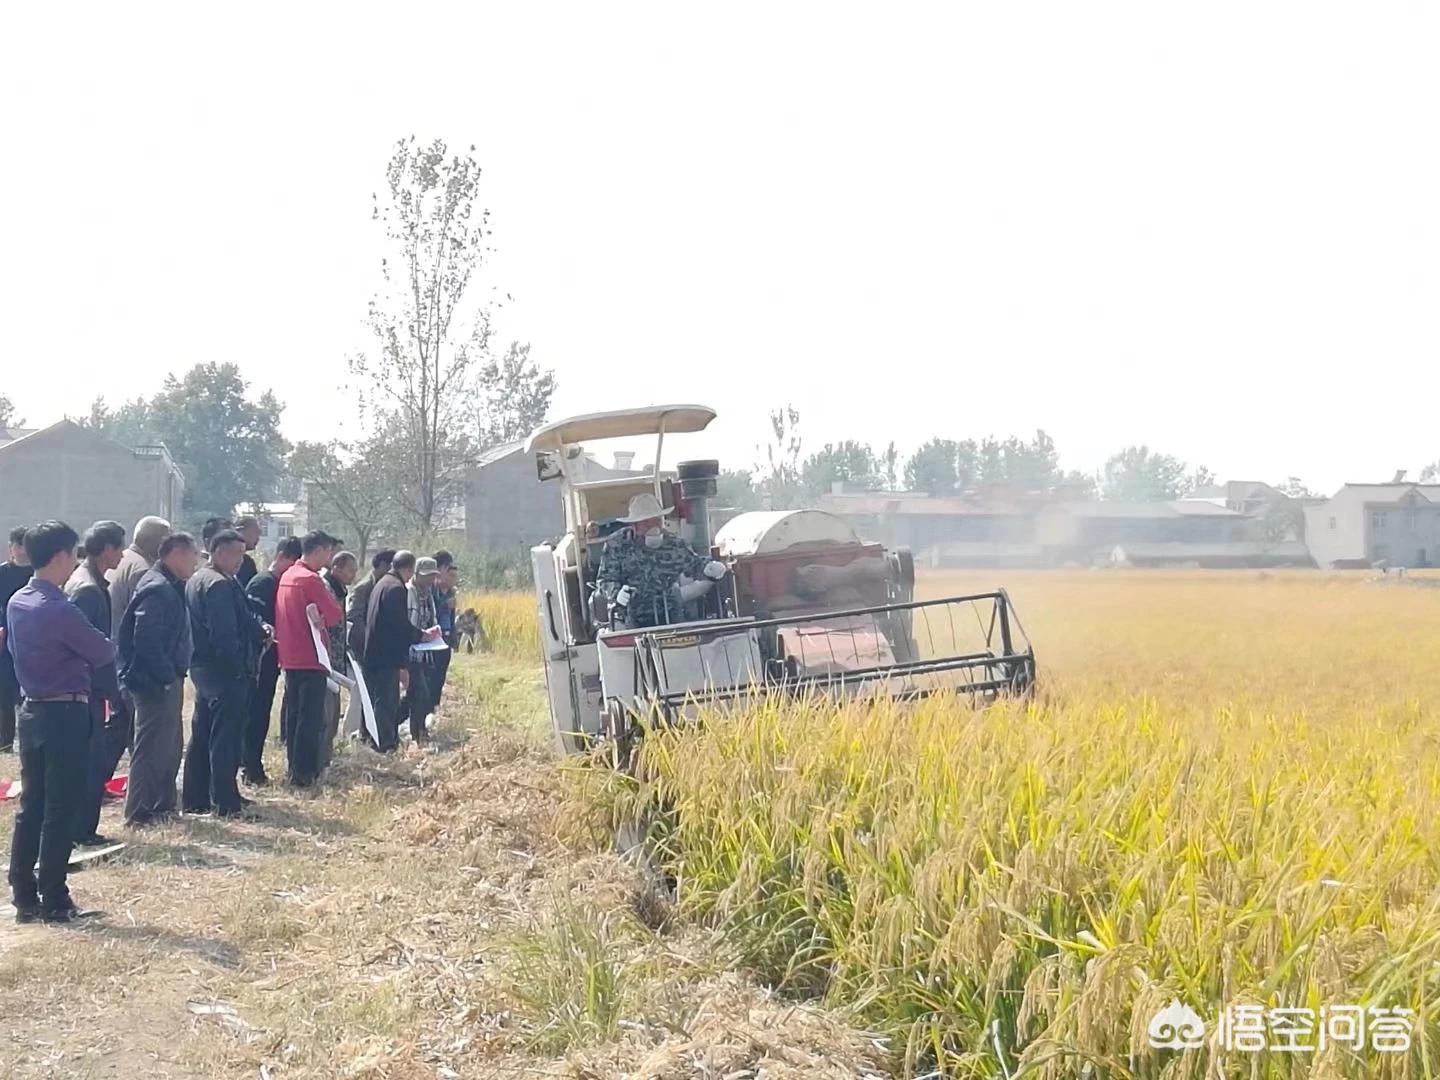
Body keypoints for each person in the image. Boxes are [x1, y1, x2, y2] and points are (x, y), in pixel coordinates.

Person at [6, 521, 116, 923]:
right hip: (65, 713)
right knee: (61, 807)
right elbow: (101, 651)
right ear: (60, 557)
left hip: (32, 710)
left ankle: (23, 894)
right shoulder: (58, 607)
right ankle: (54, 896)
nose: (75, 563)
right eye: (72, 554)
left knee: (31, 805)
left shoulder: (19, 600)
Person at [117, 532, 197, 827]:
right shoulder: (157, 587)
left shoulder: (171, 585)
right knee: (149, 748)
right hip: (153, 682)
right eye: (192, 556)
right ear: (175, 553)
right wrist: (165, 675)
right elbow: (146, 638)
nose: (194, 563)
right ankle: (139, 812)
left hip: (168, 678)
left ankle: (162, 806)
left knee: (169, 745)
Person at [182, 529, 263, 818]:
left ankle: (196, 797)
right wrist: (239, 669)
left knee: (203, 732)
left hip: (204, 668)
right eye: (235, 554)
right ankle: (225, 801)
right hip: (223, 670)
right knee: (225, 737)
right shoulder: (216, 584)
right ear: (218, 552)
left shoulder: (203, 579)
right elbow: (224, 635)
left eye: (243, 554)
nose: (241, 560)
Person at [64, 521, 129, 847]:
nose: (122, 554)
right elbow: (92, 648)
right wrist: (112, 692)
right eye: (120, 548)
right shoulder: (88, 589)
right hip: (87, 688)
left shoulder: (84, 580)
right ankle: (82, 830)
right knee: (91, 760)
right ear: (107, 549)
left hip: (84, 686)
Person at [274, 530, 343, 787]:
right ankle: (304, 773)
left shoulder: (288, 575)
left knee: (294, 716)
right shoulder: (311, 580)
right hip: (311, 655)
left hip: (290, 654)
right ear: (319, 551)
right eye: (328, 552)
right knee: (310, 718)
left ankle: (294, 768)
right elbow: (334, 614)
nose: (329, 557)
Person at [597, 493, 728, 628]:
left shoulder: (673, 544)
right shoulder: (617, 544)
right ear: (634, 526)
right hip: (628, 615)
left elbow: (694, 564)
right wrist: (617, 593)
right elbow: (604, 580)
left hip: (668, 613)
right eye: (647, 522)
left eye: (657, 520)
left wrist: (710, 568)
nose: (654, 527)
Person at [362, 552, 438, 751]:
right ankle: (386, 745)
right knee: (387, 702)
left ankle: (378, 741)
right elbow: (399, 628)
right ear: (409, 570)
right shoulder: (397, 589)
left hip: (374, 653)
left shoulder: (382, 583)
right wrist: (421, 636)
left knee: (380, 700)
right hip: (386, 656)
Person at [242, 535, 299, 786]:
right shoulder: (263, 583)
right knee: (254, 715)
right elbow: (253, 621)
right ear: (284, 557)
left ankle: (253, 765)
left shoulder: (280, 582)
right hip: (258, 661)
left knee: (262, 713)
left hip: (271, 661)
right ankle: (249, 767)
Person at [317, 551, 358, 769]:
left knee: (332, 714)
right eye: (350, 570)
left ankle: (327, 759)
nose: (353, 575)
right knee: (325, 715)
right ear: (337, 568)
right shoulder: (326, 588)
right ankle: (320, 762)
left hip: (336, 660)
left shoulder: (340, 590)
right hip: (324, 660)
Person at [398, 556, 442, 744]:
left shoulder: (429, 595)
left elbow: (430, 619)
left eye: (433, 576)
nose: (431, 580)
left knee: (417, 694)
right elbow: (405, 624)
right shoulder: (407, 593)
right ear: (416, 574)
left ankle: (397, 725)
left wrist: (435, 630)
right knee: (420, 693)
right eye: (427, 576)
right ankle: (417, 733)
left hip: (425, 651)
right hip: (410, 652)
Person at [0, 525, 33, 753]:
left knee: (28, 694)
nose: (21, 550)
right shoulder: (2, 573)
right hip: (4, 643)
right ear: (11, 548)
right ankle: (4, 744)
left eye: (25, 546)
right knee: (4, 696)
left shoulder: (37, 574)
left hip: (29, 642)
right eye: (17, 545)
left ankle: (29, 744)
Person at [107, 516, 170, 632]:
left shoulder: (122, 558)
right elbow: (144, 622)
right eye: (168, 541)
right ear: (154, 542)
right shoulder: (144, 571)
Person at [346, 549, 395, 664]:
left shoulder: (386, 585)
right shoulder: (363, 588)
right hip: (365, 651)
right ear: (383, 565)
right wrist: (371, 643)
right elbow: (355, 619)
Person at [429, 550, 458, 710]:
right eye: (448, 569)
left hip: (445, 639)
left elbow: (452, 620)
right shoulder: (429, 590)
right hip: (432, 640)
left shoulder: (451, 592)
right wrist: (444, 605)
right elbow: (429, 615)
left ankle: (433, 709)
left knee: (440, 677)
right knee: (429, 679)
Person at [234, 516, 261, 588]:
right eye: (255, 532)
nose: (258, 538)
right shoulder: (228, 560)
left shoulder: (248, 562)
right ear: (240, 531)